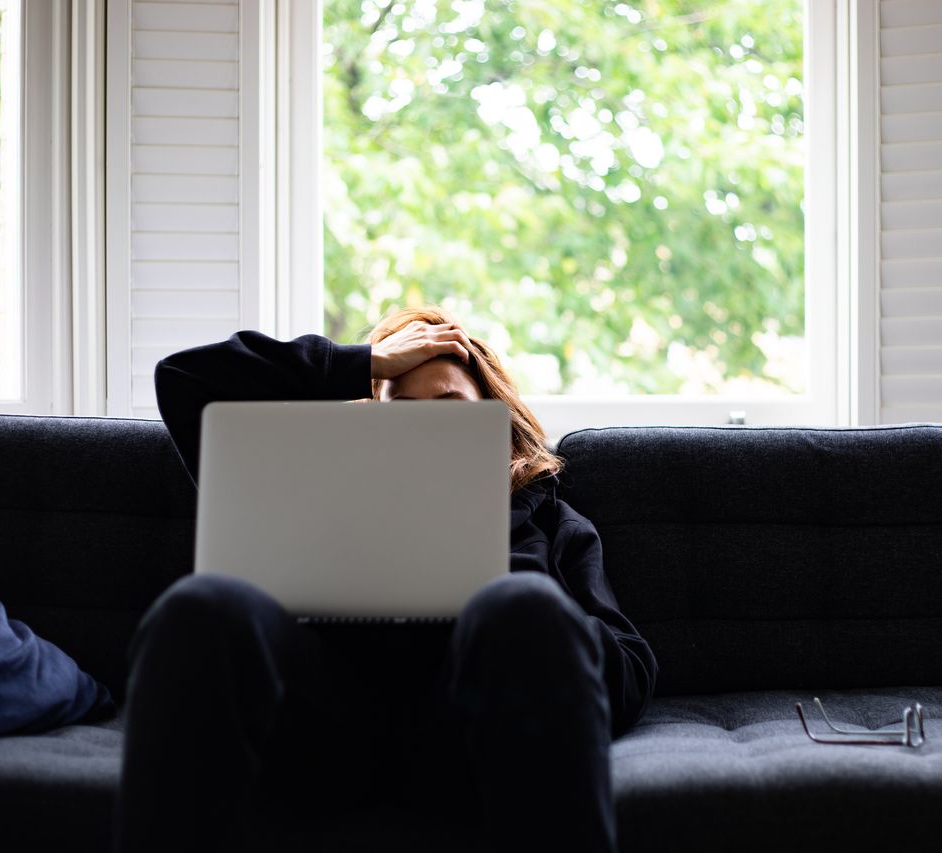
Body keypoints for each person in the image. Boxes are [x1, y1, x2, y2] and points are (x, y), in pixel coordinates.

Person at [115, 306, 658, 853]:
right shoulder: (315, 488)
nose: (426, 431)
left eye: (449, 411)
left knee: (524, 604)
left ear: (496, 426)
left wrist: (497, 584)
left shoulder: (548, 519)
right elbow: (185, 379)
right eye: (404, 412)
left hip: (464, 734)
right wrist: (369, 362)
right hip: (316, 728)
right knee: (203, 603)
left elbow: (631, 668)